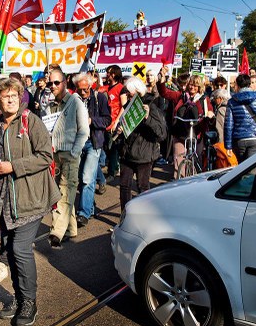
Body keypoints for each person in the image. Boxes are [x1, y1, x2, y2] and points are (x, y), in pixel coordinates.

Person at [0, 77, 60, 326]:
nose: (11, 99)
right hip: (6, 202)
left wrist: (13, 167)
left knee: (20, 249)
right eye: (5, 96)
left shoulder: (31, 121)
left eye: (14, 96)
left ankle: (29, 302)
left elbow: (45, 156)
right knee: (10, 251)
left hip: (32, 198)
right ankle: (17, 298)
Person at [47, 69, 89, 248]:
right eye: (50, 83)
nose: (53, 86)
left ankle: (56, 231)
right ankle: (71, 228)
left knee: (65, 191)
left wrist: (75, 151)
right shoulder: (50, 105)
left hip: (70, 154)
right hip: (55, 155)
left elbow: (84, 130)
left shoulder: (75, 102)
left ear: (65, 82)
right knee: (63, 192)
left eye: (56, 82)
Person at [117, 77, 166, 211]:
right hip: (127, 153)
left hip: (144, 154)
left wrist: (147, 118)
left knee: (142, 187)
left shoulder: (152, 106)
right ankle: (125, 217)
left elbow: (162, 133)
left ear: (138, 92)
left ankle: (144, 218)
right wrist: (120, 130)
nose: (126, 95)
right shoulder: (128, 106)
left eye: (129, 92)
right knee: (124, 186)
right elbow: (123, 126)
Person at [73, 72, 110, 227]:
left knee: (88, 178)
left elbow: (107, 119)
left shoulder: (99, 98)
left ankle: (83, 213)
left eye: (85, 89)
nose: (82, 92)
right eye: (79, 89)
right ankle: (90, 206)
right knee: (83, 178)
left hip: (93, 143)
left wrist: (91, 120)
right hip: (78, 143)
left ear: (90, 85)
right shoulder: (74, 100)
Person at [224, 74, 256, 162]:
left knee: (241, 169)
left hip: (239, 140)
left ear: (237, 85)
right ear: (249, 84)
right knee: (251, 170)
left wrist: (228, 145)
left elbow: (228, 124)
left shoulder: (232, 101)